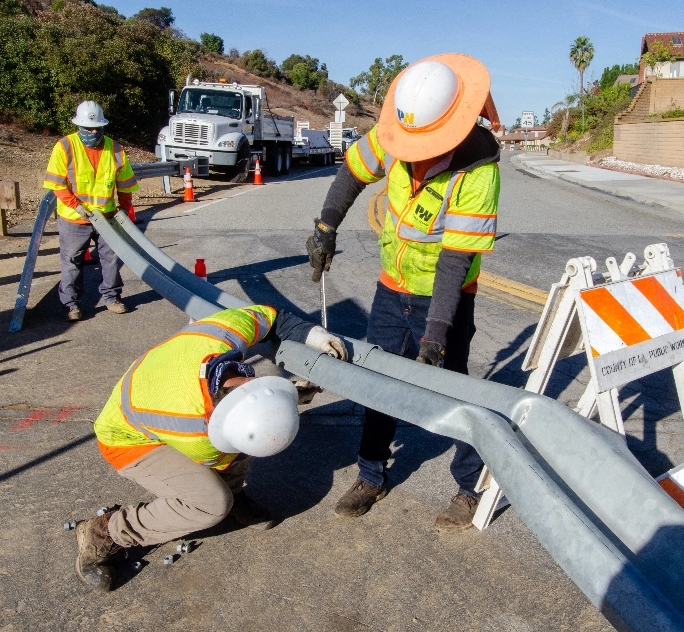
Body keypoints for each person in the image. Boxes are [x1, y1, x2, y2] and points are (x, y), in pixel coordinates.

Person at [306, 54, 501, 531]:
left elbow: (456, 259)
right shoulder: (399, 133)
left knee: (454, 389)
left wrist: (435, 333)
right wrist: (326, 225)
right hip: (392, 290)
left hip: (446, 298)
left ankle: (467, 487)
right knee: (379, 383)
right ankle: (371, 474)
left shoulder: (478, 168)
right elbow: (353, 171)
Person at [75, 304, 346, 591]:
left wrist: (313, 335)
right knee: (211, 502)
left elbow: (271, 317)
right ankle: (106, 533)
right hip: (126, 438)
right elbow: (223, 452)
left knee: (246, 442)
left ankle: (233, 490)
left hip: (156, 395)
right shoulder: (190, 426)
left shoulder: (223, 334)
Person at [43, 100, 139, 322]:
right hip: (74, 218)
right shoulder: (65, 146)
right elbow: (57, 184)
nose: (93, 132)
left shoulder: (115, 149)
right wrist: (75, 205)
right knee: (71, 261)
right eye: (88, 128)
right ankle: (71, 304)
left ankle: (112, 298)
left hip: (107, 217)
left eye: (97, 128)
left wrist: (123, 208)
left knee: (112, 259)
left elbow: (124, 183)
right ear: (79, 126)